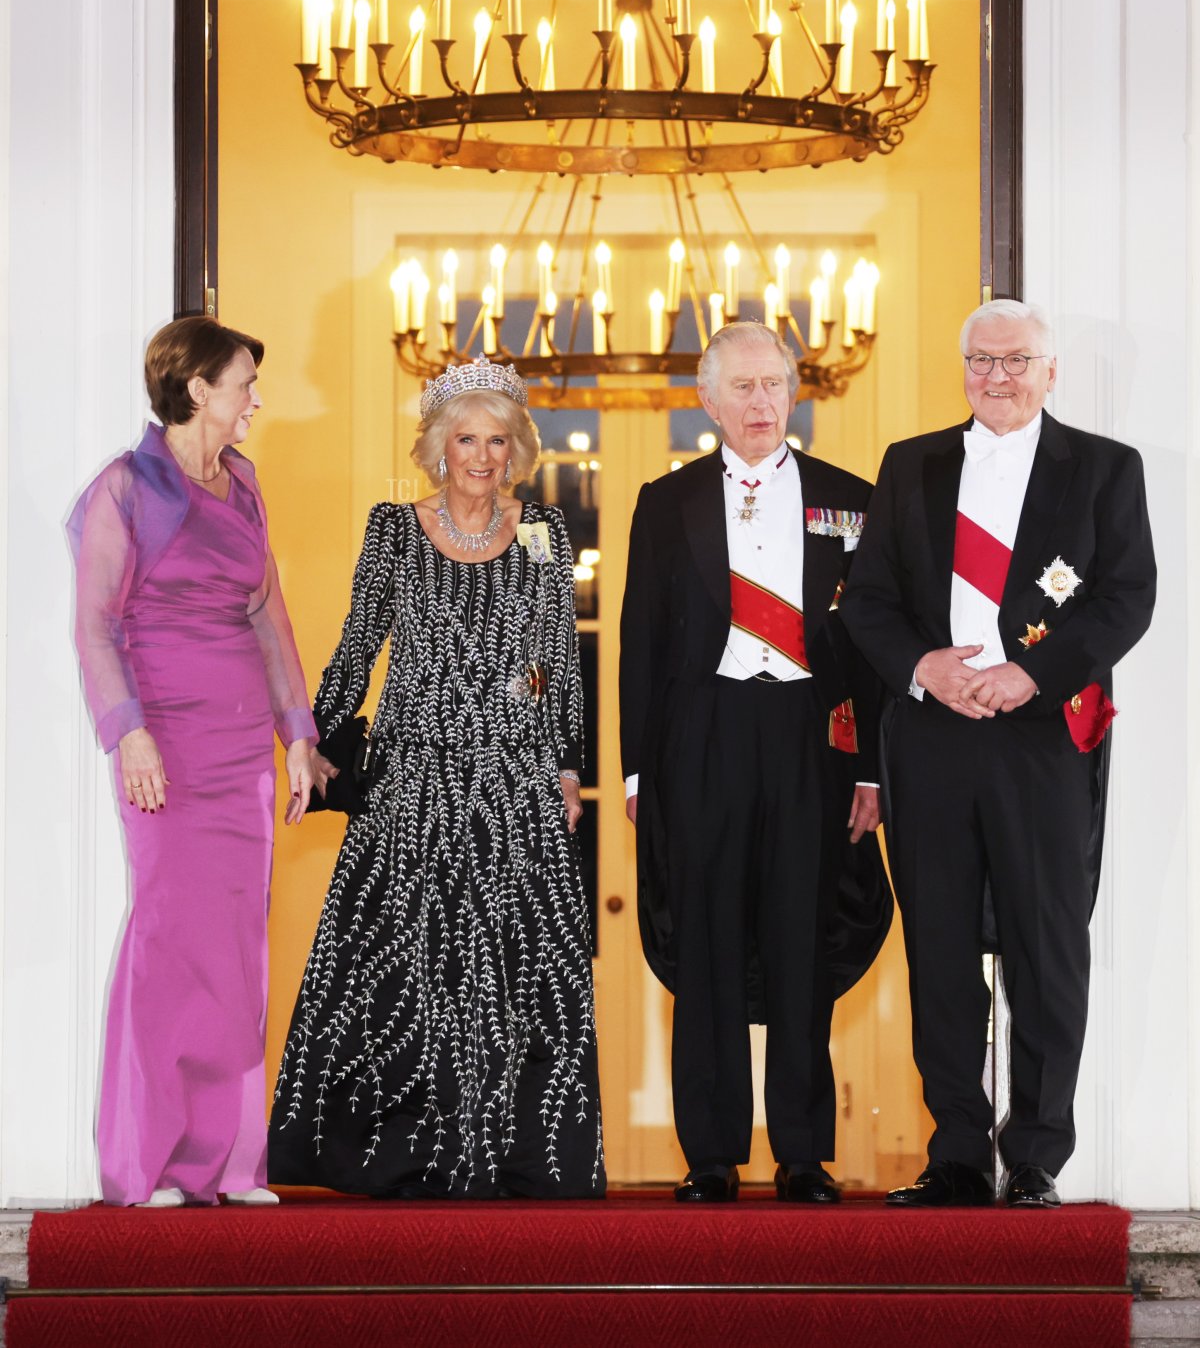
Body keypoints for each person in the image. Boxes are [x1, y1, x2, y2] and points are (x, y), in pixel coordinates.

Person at [840, 298, 1155, 1208]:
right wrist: (921, 667)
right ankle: (957, 1157)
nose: (998, 377)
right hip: (932, 741)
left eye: (1017, 361)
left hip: (1040, 742)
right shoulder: (911, 465)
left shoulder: (1102, 469)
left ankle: (1035, 1160)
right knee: (938, 950)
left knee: (1045, 948)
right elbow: (867, 603)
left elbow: (1125, 596)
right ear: (963, 369)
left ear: (1051, 371)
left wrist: (1033, 674)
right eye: (981, 360)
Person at [268, 356, 604, 1199]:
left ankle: (518, 1160)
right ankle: (404, 1159)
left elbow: (558, 660)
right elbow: (358, 645)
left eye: (498, 441)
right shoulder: (394, 529)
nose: (482, 458)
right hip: (412, 781)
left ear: (517, 448)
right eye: (466, 440)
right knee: (406, 971)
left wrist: (567, 764)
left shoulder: (542, 533)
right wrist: (305, 738)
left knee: (517, 973)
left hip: (515, 782)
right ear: (437, 446)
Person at [619, 321, 892, 1204]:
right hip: (702, 736)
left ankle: (804, 1155)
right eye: (741, 388)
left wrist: (870, 770)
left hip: (813, 740)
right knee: (705, 946)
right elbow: (640, 644)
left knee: (799, 941)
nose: (760, 402)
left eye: (773, 384)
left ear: (794, 392)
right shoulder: (666, 503)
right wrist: (634, 772)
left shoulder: (850, 499)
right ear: (707, 400)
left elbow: (872, 648)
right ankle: (710, 1157)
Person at [68, 316, 317, 1207]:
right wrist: (126, 730)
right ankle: (151, 1165)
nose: (255, 401)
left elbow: (268, 614)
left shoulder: (243, 485)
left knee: (239, 950)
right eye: (245, 383)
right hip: (162, 748)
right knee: (169, 944)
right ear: (198, 387)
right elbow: (94, 623)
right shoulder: (124, 489)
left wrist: (300, 736)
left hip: (244, 744)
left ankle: (228, 1162)